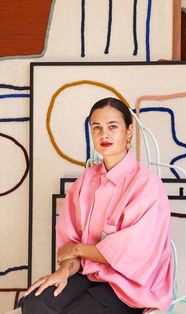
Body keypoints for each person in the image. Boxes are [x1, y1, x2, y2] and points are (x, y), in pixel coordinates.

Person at [20, 97, 173, 314]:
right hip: (88, 273)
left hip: (128, 285)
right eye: (97, 127)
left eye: (113, 126)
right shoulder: (86, 180)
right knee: (35, 302)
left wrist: (78, 249)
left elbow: (131, 254)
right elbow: (69, 241)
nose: (104, 134)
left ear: (129, 131)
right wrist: (64, 271)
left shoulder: (146, 185)